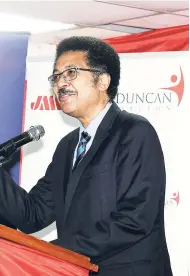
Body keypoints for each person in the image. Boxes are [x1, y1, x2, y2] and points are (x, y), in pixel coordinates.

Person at [0, 36, 173, 276]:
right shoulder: (67, 146)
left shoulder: (134, 132)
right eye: (56, 76)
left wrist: (54, 253)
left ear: (102, 81)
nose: (60, 84)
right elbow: (33, 214)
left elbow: (134, 220)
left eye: (71, 73)